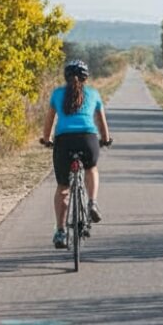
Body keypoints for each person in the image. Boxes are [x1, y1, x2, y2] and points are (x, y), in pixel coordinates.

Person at [41, 59, 112, 249]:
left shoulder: (57, 94)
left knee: (63, 187)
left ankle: (61, 232)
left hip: (64, 141)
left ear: (66, 77)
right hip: (88, 139)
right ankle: (92, 203)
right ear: (85, 78)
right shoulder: (94, 93)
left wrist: (46, 139)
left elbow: (49, 121)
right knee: (91, 168)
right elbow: (101, 122)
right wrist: (105, 139)